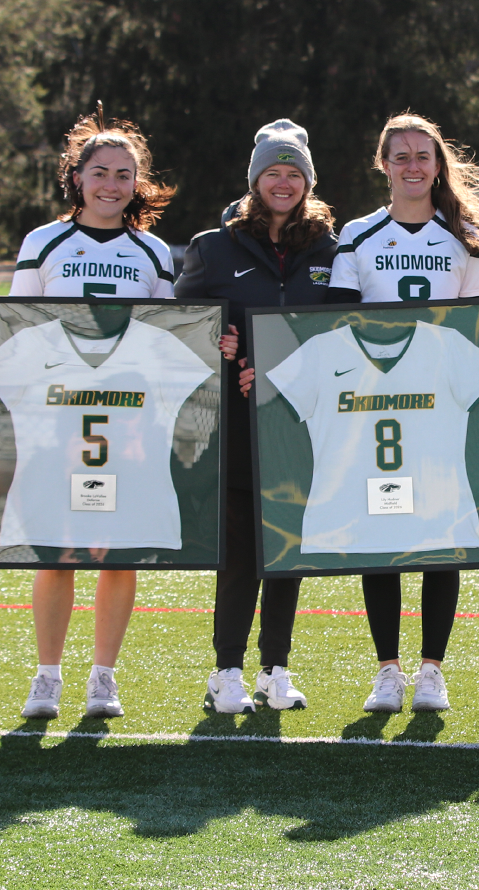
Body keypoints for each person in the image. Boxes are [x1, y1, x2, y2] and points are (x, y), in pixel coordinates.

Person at [325, 113, 479, 713]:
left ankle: (432, 670)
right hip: (375, 411)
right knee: (380, 532)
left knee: (440, 533)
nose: (411, 165)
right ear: (383, 165)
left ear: (437, 165)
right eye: (399, 155)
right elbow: (337, 327)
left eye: (422, 155)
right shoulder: (356, 236)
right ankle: (387, 669)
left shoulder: (461, 238)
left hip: (440, 409)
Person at [9, 111, 176, 721]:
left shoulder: (153, 252)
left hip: (127, 419)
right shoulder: (42, 243)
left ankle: (103, 676)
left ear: (138, 182)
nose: (112, 183)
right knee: (57, 549)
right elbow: (17, 331)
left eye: (124, 174)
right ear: (76, 177)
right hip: (58, 416)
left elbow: (167, 338)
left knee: (118, 549)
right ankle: (47, 675)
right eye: (100, 172)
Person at [177, 120, 336, 713]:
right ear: (254, 179)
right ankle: (226, 671)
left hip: (300, 422)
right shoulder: (211, 246)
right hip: (236, 424)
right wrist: (225, 353)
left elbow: (340, 333)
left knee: (287, 549)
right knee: (241, 550)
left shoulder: (327, 249)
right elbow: (183, 331)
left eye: (295, 173)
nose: (284, 182)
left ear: (308, 182)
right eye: (274, 171)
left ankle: (276, 669)